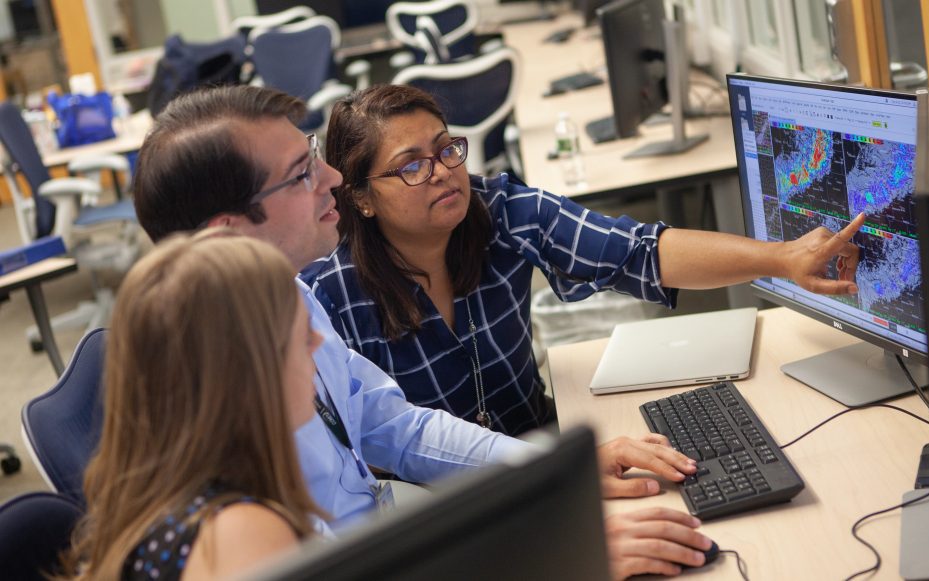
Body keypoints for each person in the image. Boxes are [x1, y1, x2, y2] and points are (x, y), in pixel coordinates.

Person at [131, 85, 716, 576]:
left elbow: (392, 425)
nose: (332, 176)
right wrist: (545, 556)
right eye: (301, 172)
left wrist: (542, 482)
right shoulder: (220, 460)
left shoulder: (288, 297)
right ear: (227, 234)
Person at [301, 84, 864, 437]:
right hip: (439, 504)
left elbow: (640, 250)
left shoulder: (501, 208)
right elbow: (368, 446)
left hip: (539, 446)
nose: (444, 170)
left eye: (447, 149)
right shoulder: (330, 296)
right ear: (362, 198)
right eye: (411, 166)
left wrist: (781, 258)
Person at [59, 233, 327, 580]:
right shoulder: (241, 538)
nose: (319, 342)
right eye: (304, 333)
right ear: (246, 374)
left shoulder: (160, 502)